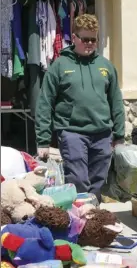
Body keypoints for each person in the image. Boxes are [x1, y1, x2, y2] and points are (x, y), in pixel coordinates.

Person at [35, 14, 125, 202]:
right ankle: (79, 221)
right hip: (71, 132)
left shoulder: (106, 66)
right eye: (85, 39)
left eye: (93, 39)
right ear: (74, 38)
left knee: (98, 182)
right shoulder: (59, 65)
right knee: (78, 179)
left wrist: (119, 135)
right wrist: (43, 140)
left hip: (102, 133)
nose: (89, 43)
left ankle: (92, 220)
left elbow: (116, 100)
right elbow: (45, 102)